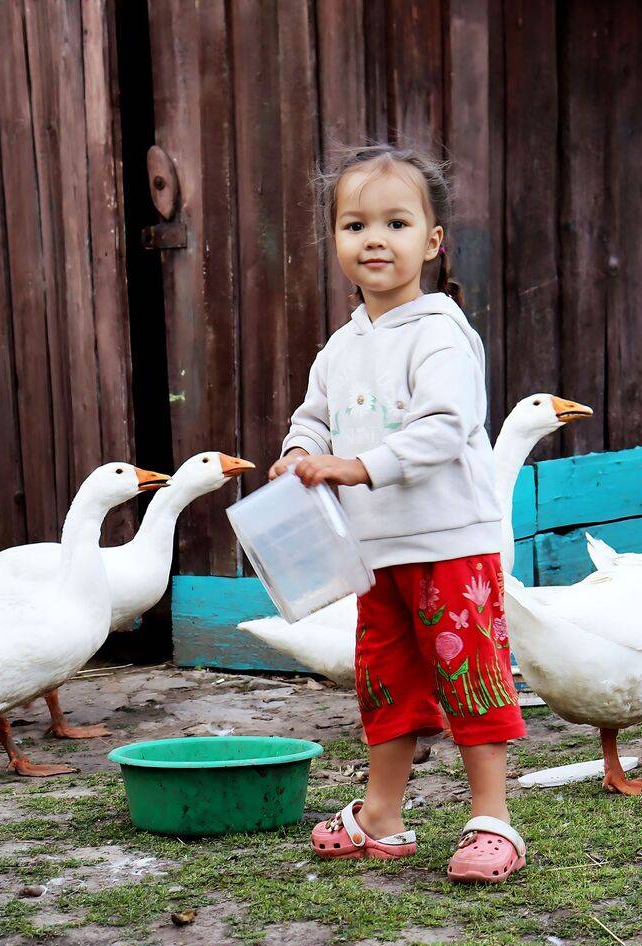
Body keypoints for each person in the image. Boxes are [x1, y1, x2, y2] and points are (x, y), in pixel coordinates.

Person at [269, 144, 526, 884]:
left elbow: (445, 426)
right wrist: (299, 452)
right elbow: (313, 418)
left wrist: (355, 467)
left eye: (396, 223)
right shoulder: (340, 347)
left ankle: (493, 820)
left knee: (469, 674)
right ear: (335, 241)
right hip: (375, 550)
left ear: (432, 241)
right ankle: (382, 813)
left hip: (449, 543)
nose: (374, 239)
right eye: (355, 225)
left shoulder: (440, 332)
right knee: (384, 680)